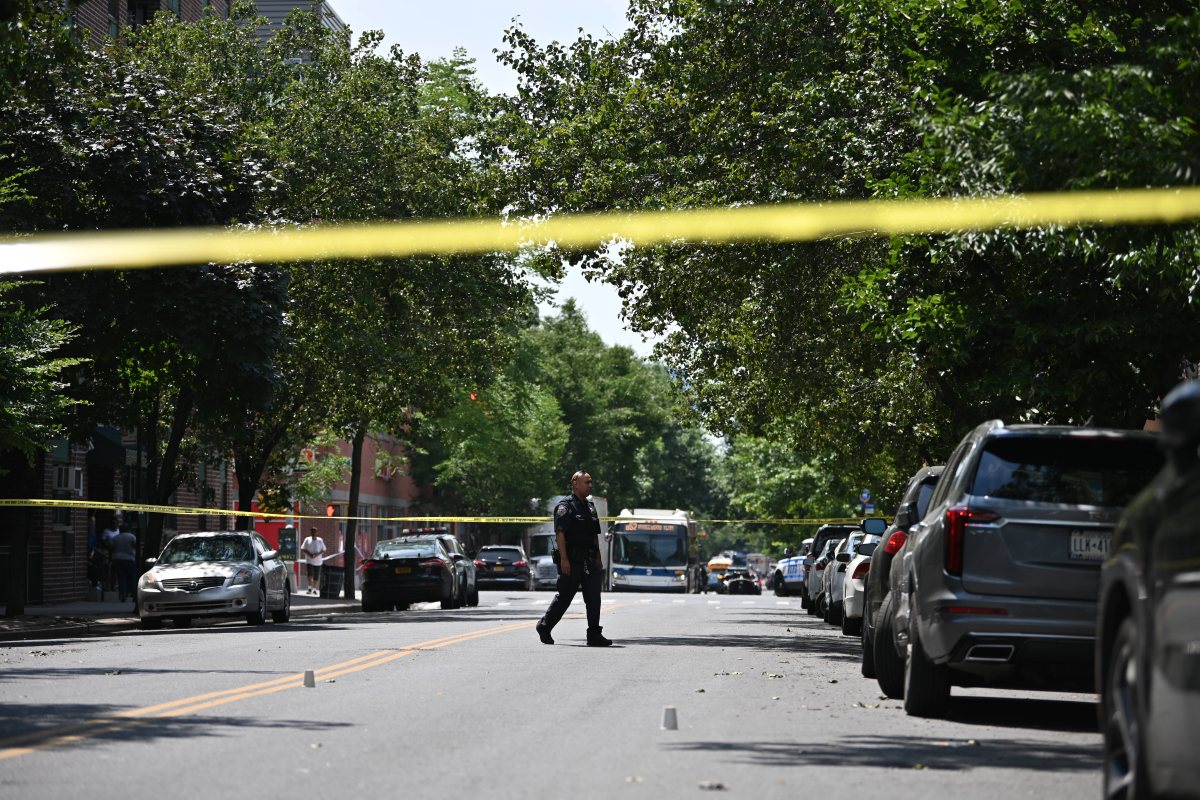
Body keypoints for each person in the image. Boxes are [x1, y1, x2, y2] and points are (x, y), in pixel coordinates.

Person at [536, 470, 612, 646]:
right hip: (572, 559)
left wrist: (599, 557)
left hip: (590, 559)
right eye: (587, 482)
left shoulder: (591, 507)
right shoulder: (565, 507)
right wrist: (564, 559)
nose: (590, 485)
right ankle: (544, 626)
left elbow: (594, 535)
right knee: (565, 596)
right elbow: (560, 534)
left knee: (594, 597)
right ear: (575, 483)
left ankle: (594, 634)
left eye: (591, 482)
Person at [108, 521, 138, 603]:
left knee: (121, 577)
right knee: (131, 577)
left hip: (117, 559)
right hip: (129, 559)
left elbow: (111, 547)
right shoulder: (132, 537)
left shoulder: (115, 538)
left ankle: (122, 595)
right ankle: (133, 594)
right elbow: (135, 546)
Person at [301, 527, 326, 594]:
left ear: (316, 532)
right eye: (312, 531)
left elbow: (323, 550)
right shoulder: (307, 539)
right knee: (310, 575)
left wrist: (317, 554)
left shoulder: (320, 540)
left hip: (318, 561)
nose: (313, 533)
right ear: (310, 532)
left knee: (316, 576)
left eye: (314, 531)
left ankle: (314, 589)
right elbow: (303, 548)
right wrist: (309, 554)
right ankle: (309, 588)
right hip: (309, 560)